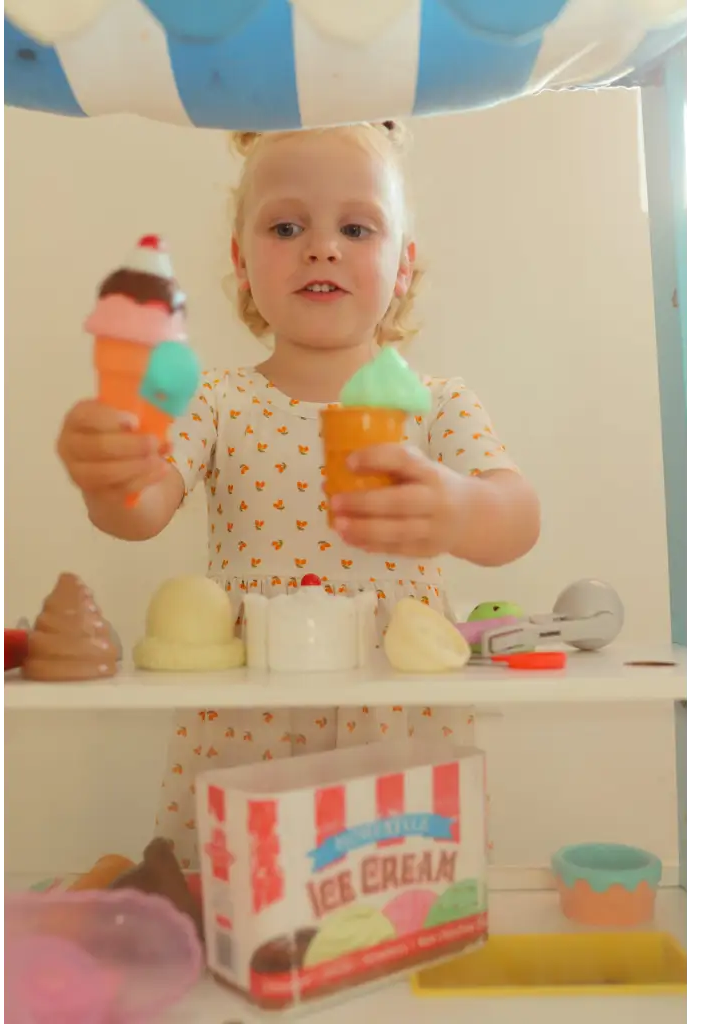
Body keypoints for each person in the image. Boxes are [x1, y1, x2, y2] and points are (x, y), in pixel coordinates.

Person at [56, 121, 541, 871]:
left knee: (398, 910)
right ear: (241, 261)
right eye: (287, 226)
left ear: (403, 264)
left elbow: (517, 519)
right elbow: (140, 513)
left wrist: (458, 508)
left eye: (357, 227)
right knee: (243, 914)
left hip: (397, 717)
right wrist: (110, 475)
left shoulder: (435, 402)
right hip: (248, 720)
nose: (323, 247)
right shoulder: (214, 399)